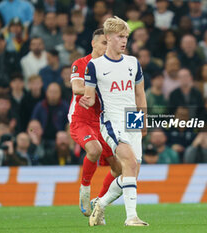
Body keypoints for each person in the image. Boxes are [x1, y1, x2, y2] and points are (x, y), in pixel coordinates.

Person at [81, 17, 148, 226]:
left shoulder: (133, 63)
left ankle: (100, 204)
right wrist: (87, 99)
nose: (124, 41)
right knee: (127, 160)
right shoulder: (95, 66)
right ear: (108, 38)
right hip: (111, 118)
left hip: (132, 118)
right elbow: (91, 96)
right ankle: (131, 217)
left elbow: (140, 94)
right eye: (120, 37)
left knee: (132, 169)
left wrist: (143, 119)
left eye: (126, 37)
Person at [68, 28, 121, 217]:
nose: (107, 47)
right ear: (93, 44)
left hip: (102, 123)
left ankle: (98, 203)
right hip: (81, 119)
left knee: (119, 169)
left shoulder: (113, 67)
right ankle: (84, 188)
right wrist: (95, 88)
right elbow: (76, 87)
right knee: (94, 149)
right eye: (104, 43)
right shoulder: (81, 63)